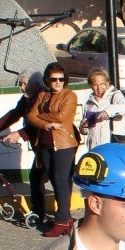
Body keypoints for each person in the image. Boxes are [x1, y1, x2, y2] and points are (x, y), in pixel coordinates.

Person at [26, 62, 80, 238]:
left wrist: (40, 117)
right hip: (44, 143)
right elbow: (30, 116)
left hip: (64, 143)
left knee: (61, 180)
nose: (58, 82)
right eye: (54, 79)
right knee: (53, 181)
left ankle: (61, 220)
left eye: (61, 79)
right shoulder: (43, 94)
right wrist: (46, 124)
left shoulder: (69, 95)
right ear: (47, 80)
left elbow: (61, 116)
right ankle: (66, 218)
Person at [0, 69, 44, 147]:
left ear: (36, 84)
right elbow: (15, 113)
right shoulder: (27, 98)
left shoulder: (43, 98)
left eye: (25, 84)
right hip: (37, 143)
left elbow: (40, 122)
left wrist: (20, 134)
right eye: (20, 84)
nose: (22, 88)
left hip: (48, 142)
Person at [81, 67, 125, 149]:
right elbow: (89, 127)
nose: (99, 88)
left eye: (102, 84)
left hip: (113, 145)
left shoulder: (115, 96)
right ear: (91, 86)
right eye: (95, 85)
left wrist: (108, 111)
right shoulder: (89, 103)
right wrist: (84, 127)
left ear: (107, 84)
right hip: (94, 147)